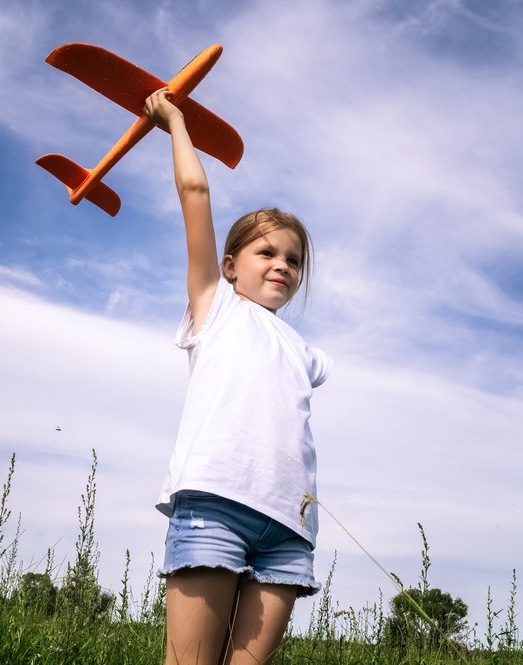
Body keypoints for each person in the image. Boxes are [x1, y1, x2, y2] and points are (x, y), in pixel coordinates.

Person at [144, 87, 332, 665]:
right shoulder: (216, 307)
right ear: (229, 267)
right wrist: (174, 121)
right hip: (215, 509)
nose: (282, 265)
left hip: (288, 530)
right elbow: (195, 193)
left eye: (294, 259)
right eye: (266, 253)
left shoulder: (306, 351)